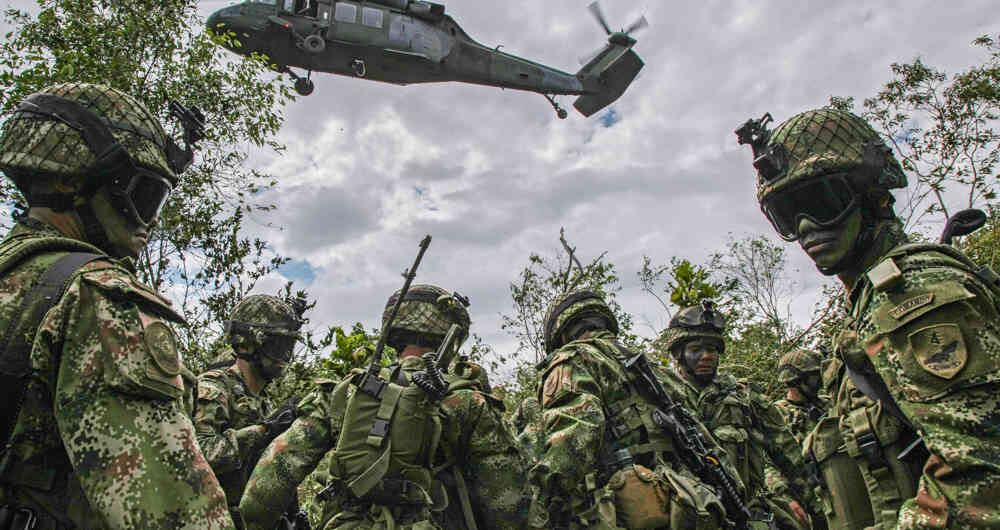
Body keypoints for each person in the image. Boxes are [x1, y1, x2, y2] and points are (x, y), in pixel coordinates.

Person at [737, 107, 1000, 528]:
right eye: (788, 215)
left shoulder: (909, 295)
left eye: (822, 203)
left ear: (873, 196)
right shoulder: (867, 303)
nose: (806, 228)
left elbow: (979, 476)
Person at [0, 83, 233, 528]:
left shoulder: (15, 275)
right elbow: (173, 510)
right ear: (70, 181)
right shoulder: (95, 294)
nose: (150, 221)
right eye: (145, 195)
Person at [239, 284, 528, 530]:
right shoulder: (466, 402)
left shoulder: (339, 393)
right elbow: (508, 507)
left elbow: (259, 497)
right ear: (452, 337)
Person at [528, 289, 729, 529]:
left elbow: (572, 440)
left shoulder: (573, 359)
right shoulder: (661, 373)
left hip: (625, 512)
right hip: (687, 508)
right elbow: (712, 450)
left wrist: (531, 504)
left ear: (560, 333)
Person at [656, 301, 813, 530]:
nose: (707, 356)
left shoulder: (744, 397)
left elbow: (789, 455)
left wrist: (819, 507)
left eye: (712, 349)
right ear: (679, 354)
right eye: (696, 349)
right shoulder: (662, 399)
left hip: (746, 513)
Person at [195, 294, 307, 527]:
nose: (283, 358)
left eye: (288, 348)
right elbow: (201, 454)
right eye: (277, 347)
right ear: (246, 344)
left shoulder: (261, 400)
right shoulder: (214, 387)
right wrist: (264, 431)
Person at [773, 349, 829, 444]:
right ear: (795, 381)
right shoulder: (778, 414)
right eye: (814, 378)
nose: (819, 382)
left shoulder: (827, 402)